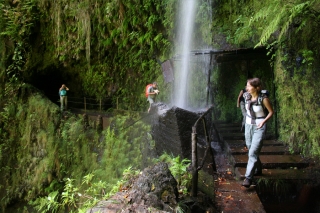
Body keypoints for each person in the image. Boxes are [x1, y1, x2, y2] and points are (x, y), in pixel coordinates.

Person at [241, 78, 273, 188]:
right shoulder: (246, 96)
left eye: (249, 86)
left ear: (257, 88)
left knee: (253, 151)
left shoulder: (263, 99)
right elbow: (243, 105)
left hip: (259, 126)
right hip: (248, 126)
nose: (247, 88)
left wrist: (263, 122)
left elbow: (271, 112)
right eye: (247, 86)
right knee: (251, 149)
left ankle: (248, 178)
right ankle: (258, 169)